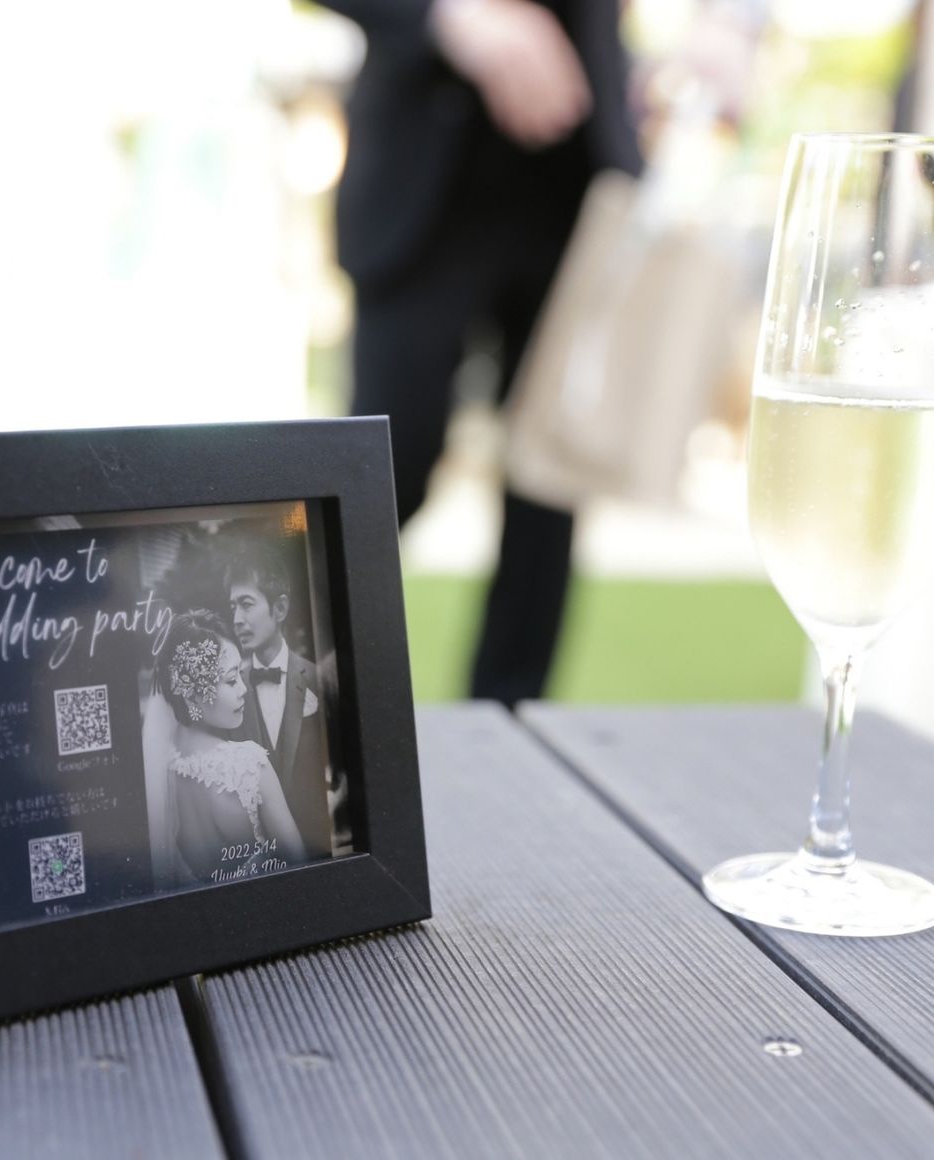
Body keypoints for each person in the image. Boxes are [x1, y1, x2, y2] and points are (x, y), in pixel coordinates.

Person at [315, 0, 642, 706]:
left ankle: (512, 717)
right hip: (422, 191)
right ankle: (303, 704)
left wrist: (730, 23)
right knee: (385, 467)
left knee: (546, 497)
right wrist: (451, 15)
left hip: (575, 180)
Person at [141, 610, 305, 885]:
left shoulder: (161, 767)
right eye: (231, 680)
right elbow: (299, 865)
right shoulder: (250, 766)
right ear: (192, 692)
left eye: (240, 674)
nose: (243, 689)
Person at [225, 546, 332, 860]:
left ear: (280, 608)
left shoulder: (317, 679)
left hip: (319, 850)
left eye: (246, 604)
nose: (236, 619)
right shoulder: (230, 690)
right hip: (260, 857)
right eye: (232, 607)